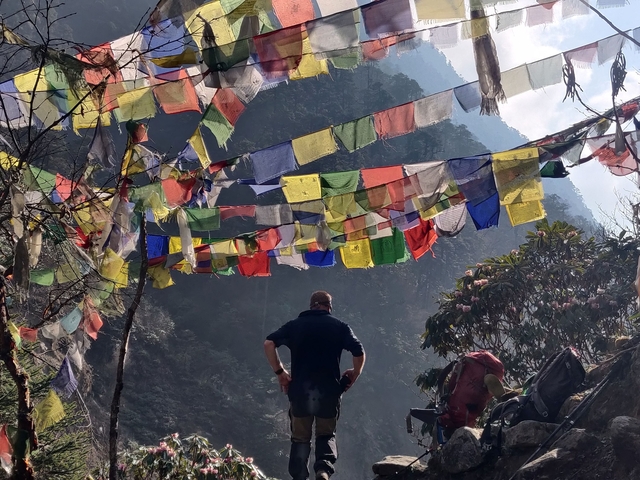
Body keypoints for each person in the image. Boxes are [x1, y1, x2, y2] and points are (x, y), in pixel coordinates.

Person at [264, 291, 365, 480]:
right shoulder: (339, 326)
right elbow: (359, 351)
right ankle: (323, 470)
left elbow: (269, 344)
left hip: (300, 393)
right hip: (329, 393)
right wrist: (355, 373)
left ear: (312, 306)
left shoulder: (294, 326)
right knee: (326, 434)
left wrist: (280, 373)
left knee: (300, 438)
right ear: (328, 306)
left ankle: (299, 476)